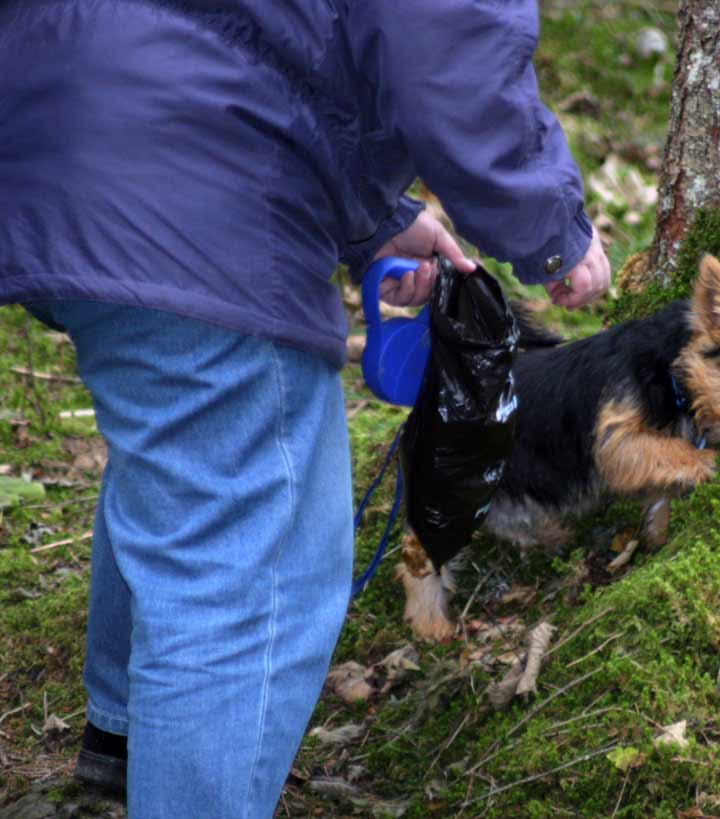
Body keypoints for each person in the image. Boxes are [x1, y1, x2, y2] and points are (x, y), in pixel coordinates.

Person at [0, 1, 610, 817]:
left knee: (184, 445)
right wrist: (550, 225)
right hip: (199, 179)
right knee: (253, 553)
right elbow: (447, 36)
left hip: (59, 141)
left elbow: (259, 37)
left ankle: (130, 738)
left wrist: (371, 224)